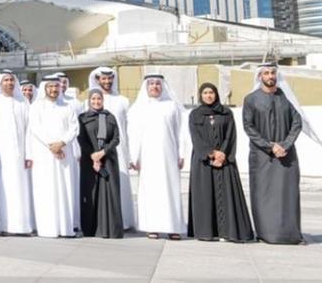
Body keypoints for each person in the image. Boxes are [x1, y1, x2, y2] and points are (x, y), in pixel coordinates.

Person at [243, 63, 318, 245]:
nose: (270, 76)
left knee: (288, 194)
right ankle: (266, 234)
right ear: (260, 76)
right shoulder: (251, 99)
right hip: (262, 157)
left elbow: (297, 123)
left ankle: (291, 235)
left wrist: (284, 144)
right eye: (266, 73)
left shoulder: (286, 98)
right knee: (264, 195)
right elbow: (249, 127)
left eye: (273, 73)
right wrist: (270, 146)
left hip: (287, 156)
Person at [188, 82, 253, 242]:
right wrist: (211, 153)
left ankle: (228, 232)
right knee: (205, 195)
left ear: (216, 94)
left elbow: (230, 135)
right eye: (205, 93)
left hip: (225, 160)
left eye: (211, 92)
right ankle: (207, 232)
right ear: (200, 96)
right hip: (203, 162)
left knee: (227, 195)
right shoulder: (195, 114)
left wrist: (222, 153)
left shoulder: (226, 113)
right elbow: (196, 137)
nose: (208, 96)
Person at [128, 74, 186, 240]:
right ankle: (151, 226)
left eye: (158, 84)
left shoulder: (172, 106)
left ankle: (173, 227)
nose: (154, 86)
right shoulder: (138, 108)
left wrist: (181, 154)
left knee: (170, 190)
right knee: (151, 191)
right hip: (147, 157)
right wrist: (134, 157)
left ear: (163, 86)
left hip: (169, 155)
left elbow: (180, 132)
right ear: (146, 87)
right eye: (151, 84)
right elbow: (134, 134)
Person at [27, 74, 78, 238]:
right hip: (44, 155)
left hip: (64, 154)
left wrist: (62, 143)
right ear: (44, 88)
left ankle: (65, 228)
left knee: (66, 188)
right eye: (50, 86)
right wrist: (52, 145)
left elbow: (74, 128)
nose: (54, 89)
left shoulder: (67, 107)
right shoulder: (36, 107)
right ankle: (48, 228)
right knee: (46, 190)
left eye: (56, 86)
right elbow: (36, 128)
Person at [86, 66, 135, 230]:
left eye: (109, 78)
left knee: (121, 185)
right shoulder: (90, 101)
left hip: (119, 150)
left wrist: (130, 155)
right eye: (103, 79)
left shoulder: (123, 100)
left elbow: (128, 129)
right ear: (97, 80)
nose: (107, 82)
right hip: (97, 152)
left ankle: (124, 221)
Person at [0, 70, 33, 236]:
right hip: (1, 156)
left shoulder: (22, 102)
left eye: (12, 80)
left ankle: (21, 226)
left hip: (20, 155)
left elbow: (29, 130)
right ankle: (4, 226)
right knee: (4, 189)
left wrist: (29, 154)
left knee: (21, 189)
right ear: (0, 83)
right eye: (6, 80)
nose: (9, 83)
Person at [77, 87, 123, 239]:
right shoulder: (83, 118)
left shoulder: (110, 117)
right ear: (89, 101)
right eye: (93, 99)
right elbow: (81, 139)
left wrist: (103, 152)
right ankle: (90, 229)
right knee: (91, 193)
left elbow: (116, 138)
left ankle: (110, 229)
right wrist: (93, 156)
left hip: (108, 159)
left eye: (99, 99)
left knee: (110, 194)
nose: (96, 102)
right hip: (89, 161)